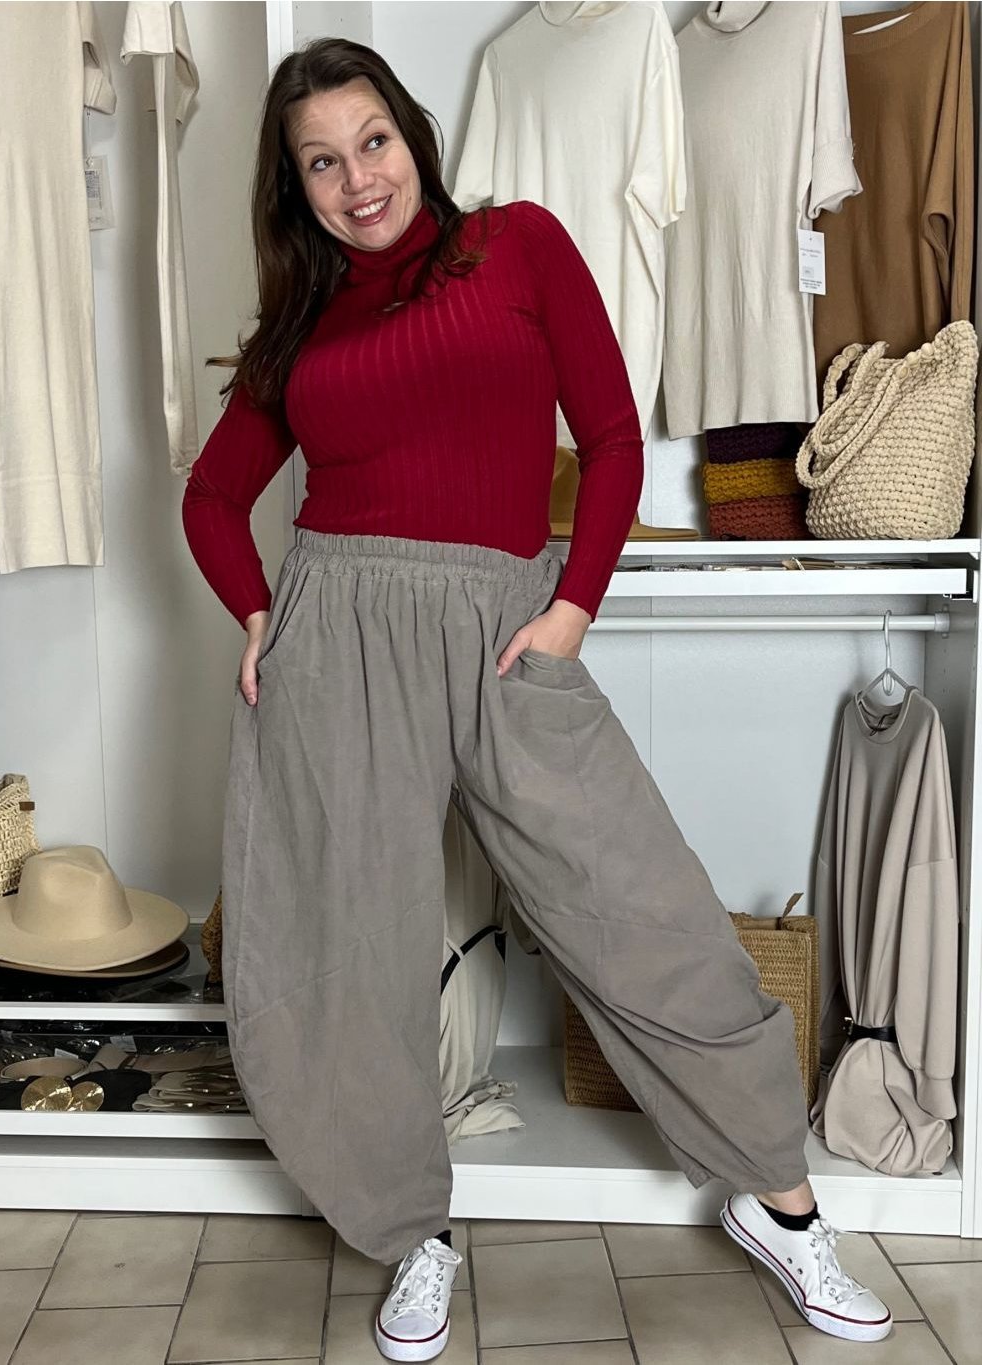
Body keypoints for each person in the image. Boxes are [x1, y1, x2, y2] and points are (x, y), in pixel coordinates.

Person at [182, 36, 892, 1365]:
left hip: (512, 625)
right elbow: (212, 497)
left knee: (642, 909)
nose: (357, 179)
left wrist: (570, 610)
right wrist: (263, 613)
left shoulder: (515, 247)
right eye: (321, 163)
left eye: (372, 142)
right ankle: (413, 1232)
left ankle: (779, 1200)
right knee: (350, 951)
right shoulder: (300, 332)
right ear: (295, 189)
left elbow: (612, 437)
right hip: (341, 641)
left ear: (413, 137)